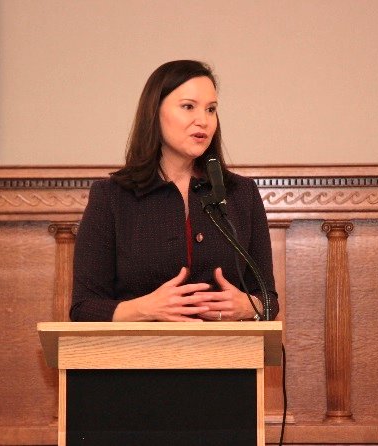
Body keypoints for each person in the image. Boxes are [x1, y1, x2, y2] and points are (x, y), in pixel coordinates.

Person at [70, 60, 279, 322]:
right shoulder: (111, 196)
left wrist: (250, 307)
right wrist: (144, 309)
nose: (203, 120)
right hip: (137, 358)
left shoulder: (241, 193)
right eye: (188, 107)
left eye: (211, 109)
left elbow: (268, 298)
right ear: (154, 112)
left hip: (224, 357)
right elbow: (84, 309)